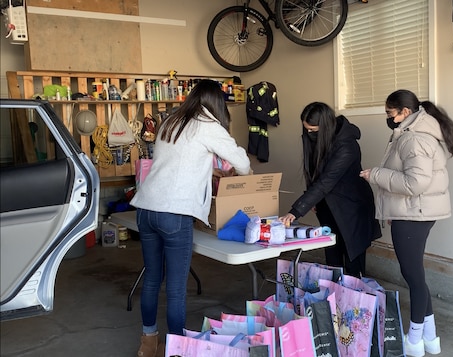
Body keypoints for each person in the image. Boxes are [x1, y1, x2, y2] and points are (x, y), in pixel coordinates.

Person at [130, 79, 251, 357]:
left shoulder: (171, 122)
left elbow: (177, 163)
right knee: (175, 288)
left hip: (147, 208)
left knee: (152, 279)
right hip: (174, 213)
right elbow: (243, 164)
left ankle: (148, 343)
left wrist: (210, 172)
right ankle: (176, 349)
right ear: (216, 104)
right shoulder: (209, 126)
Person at [360, 90, 453, 357]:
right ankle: (430, 337)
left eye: (390, 113)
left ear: (404, 112)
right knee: (415, 274)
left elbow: (415, 184)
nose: (388, 118)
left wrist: (375, 175)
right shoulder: (415, 133)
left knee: (413, 276)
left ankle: (414, 340)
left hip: (414, 214)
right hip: (414, 213)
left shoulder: (413, 138)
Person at [279, 102, 381, 277]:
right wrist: (313, 198)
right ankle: (335, 297)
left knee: (352, 259)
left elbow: (326, 180)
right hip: (328, 204)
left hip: (351, 207)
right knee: (332, 257)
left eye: (313, 130)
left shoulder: (347, 146)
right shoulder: (318, 138)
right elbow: (314, 172)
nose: (309, 134)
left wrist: (296, 211)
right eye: (307, 130)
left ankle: (354, 299)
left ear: (325, 127)